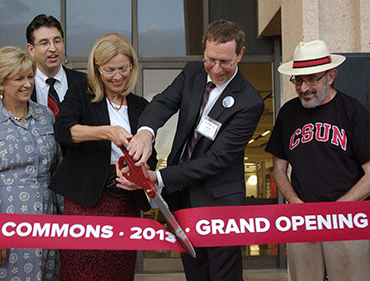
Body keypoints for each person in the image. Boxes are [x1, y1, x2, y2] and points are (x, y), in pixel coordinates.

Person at [123, 19, 264, 281]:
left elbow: (216, 159)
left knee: (223, 275)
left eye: (226, 62)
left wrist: (161, 177)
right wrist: (146, 132)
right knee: (195, 272)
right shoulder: (193, 73)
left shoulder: (249, 101)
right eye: (210, 60)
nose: (217, 69)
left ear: (240, 54)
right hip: (183, 197)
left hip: (220, 202)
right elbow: (163, 102)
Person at [48, 33, 157, 281]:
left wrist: (141, 176)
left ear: (132, 66)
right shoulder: (81, 93)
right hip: (85, 198)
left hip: (124, 199)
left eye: (123, 68)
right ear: (97, 69)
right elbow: (63, 130)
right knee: (79, 269)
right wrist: (108, 132)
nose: (117, 76)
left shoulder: (141, 106)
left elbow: (151, 157)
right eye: (109, 70)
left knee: (119, 271)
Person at [265, 40, 370, 281]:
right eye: (298, 80)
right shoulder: (288, 113)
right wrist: (294, 202)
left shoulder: (352, 111)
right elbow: (279, 168)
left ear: (331, 76)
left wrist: (339, 208)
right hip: (303, 219)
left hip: (347, 220)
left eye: (311, 79)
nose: (303, 88)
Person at [0, 46, 61, 280]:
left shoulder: (46, 116)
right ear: (0, 83)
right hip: (7, 221)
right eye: (19, 78)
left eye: (30, 76)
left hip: (46, 217)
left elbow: (57, 168)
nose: (27, 84)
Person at [26, 14, 86, 119]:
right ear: (31, 49)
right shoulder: (23, 86)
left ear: (63, 44)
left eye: (57, 41)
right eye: (44, 43)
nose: (52, 48)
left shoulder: (85, 83)